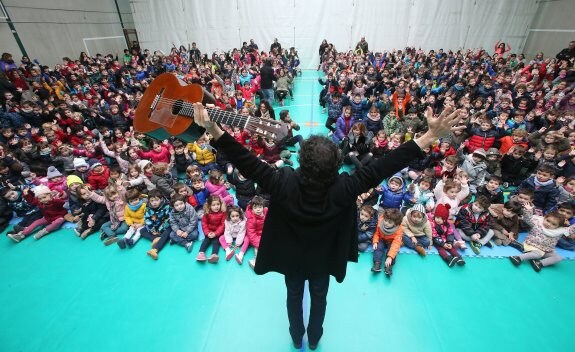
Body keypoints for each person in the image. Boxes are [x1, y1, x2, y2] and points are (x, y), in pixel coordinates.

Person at [193, 102, 464, 350]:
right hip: (323, 260)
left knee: (293, 296)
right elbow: (383, 166)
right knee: (319, 298)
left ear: (303, 161)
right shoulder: (346, 187)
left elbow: (246, 161)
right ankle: (313, 338)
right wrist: (428, 136)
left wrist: (213, 128)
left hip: (292, 259)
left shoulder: (282, 182)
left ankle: (296, 334)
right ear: (335, 165)